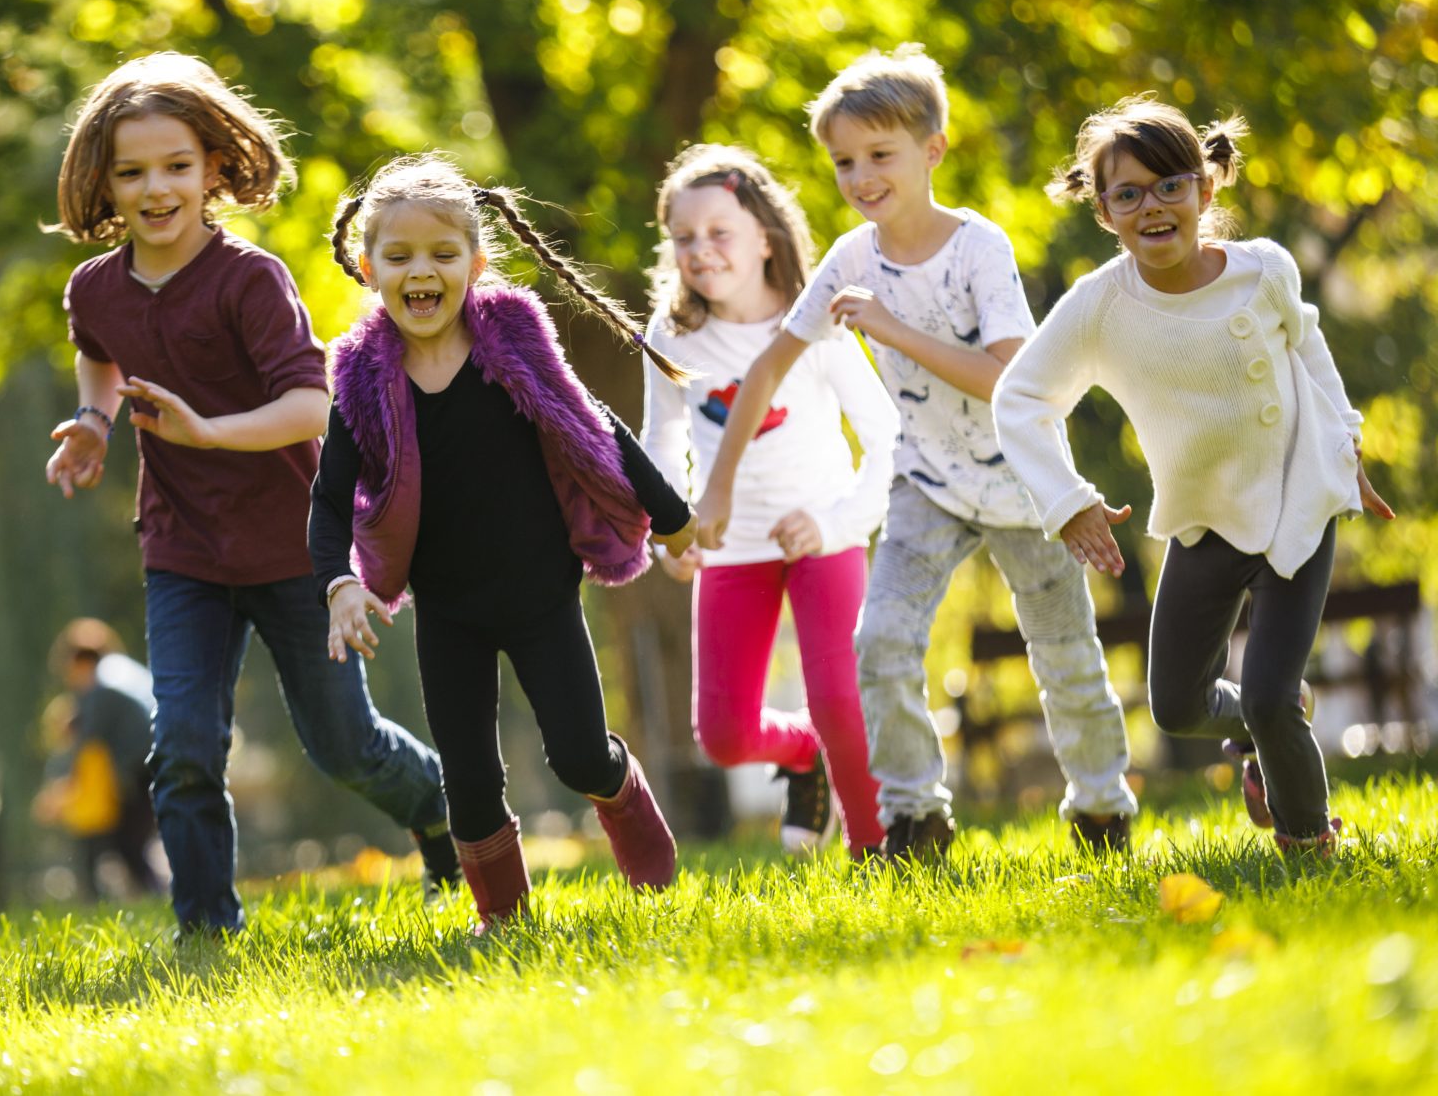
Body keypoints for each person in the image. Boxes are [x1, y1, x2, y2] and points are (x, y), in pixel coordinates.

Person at [44, 52, 453, 937]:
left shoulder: (248, 279)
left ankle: (449, 814)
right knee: (182, 742)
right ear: (103, 182)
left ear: (215, 169)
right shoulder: (95, 287)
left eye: (176, 166)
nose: (156, 188)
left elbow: (313, 403)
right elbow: (100, 351)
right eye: (133, 171)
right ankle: (205, 930)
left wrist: (206, 431)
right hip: (182, 549)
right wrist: (91, 419)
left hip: (293, 547)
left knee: (345, 745)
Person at [697, 45, 1138, 858]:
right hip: (926, 483)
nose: (861, 176)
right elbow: (767, 369)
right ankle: (915, 815)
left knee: (1065, 649)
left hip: (1022, 479)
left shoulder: (978, 249)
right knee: (882, 642)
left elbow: (1009, 376)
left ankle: (1102, 806)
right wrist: (716, 489)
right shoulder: (849, 259)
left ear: (932, 150)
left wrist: (892, 328)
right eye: (843, 161)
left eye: (879, 155)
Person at [310, 154, 697, 933]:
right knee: (469, 776)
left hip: (540, 594)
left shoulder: (510, 343)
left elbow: (598, 428)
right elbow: (328, 496)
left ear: (477, 264)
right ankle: (503, 916)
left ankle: (628, 804)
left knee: (579, 754)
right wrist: (339, 582)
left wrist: (675, 517)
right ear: (367, 265)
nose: (422, 271)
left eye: (443, 254)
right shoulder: (360, 377)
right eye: (400, 256)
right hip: (448, 605)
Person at [994, 97, 1390, 855]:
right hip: (1204, 521)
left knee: (1270, 698)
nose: (1153, 206)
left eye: (1170, 184)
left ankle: (1309, 842)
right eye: (1128, 193)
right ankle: (1276, 713)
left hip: (1295, 510)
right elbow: (1019, 398)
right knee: (1176, 704)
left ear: (1206, 188)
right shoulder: (1100, 305)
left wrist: (1347, 450)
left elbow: (1310, 352)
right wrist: (1067, 500)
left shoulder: (1264, 270)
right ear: (1104, 211)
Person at [639, 146, 895, 859]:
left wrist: (838, 521)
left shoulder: (815, 321)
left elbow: (885, 439)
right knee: (722, 735)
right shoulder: (673, 332)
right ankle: (802, 752)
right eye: (683, 237)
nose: (700, 251)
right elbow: (658, 437)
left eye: (719, 232)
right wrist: (670, 529)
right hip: (731, 548)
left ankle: (875, 848)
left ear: (764, 237)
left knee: (842, 698)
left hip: (825, 537)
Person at [32, 617, 163, 899]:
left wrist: (58, 789)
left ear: (80, 662)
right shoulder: (122, 670)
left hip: (142, 768)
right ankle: (159, 897)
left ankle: (161, 898)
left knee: (127, 845)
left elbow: (86, 742)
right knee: (130, 845)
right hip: (157, 759)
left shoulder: (101, 686)